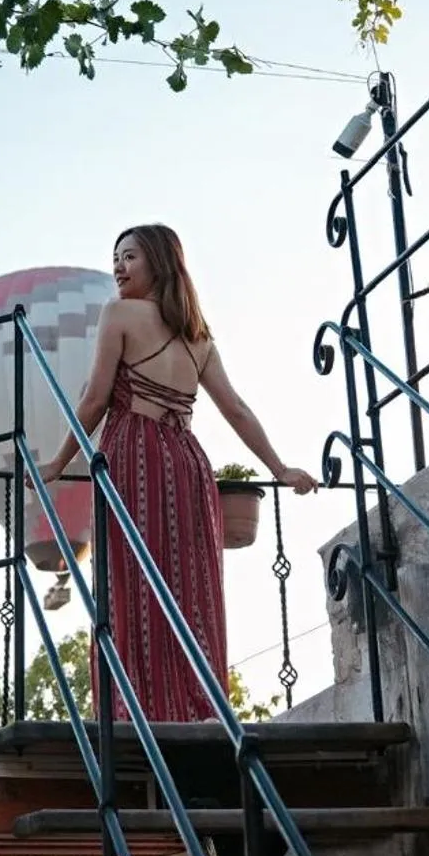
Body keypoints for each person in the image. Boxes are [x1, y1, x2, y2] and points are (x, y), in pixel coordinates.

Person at [39, 224, 317, 721]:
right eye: (115, 259)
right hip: (187, 462)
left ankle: (135, 705)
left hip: (135, 454)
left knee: (130, 575)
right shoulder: (200, 337)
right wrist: (280, 467)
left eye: (129, 257)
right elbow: (235, 408)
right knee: (190, 583)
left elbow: (96, 398)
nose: (118, 268)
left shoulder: (119, 313)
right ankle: (199, 702)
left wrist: (58, 463)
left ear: (160, 264)